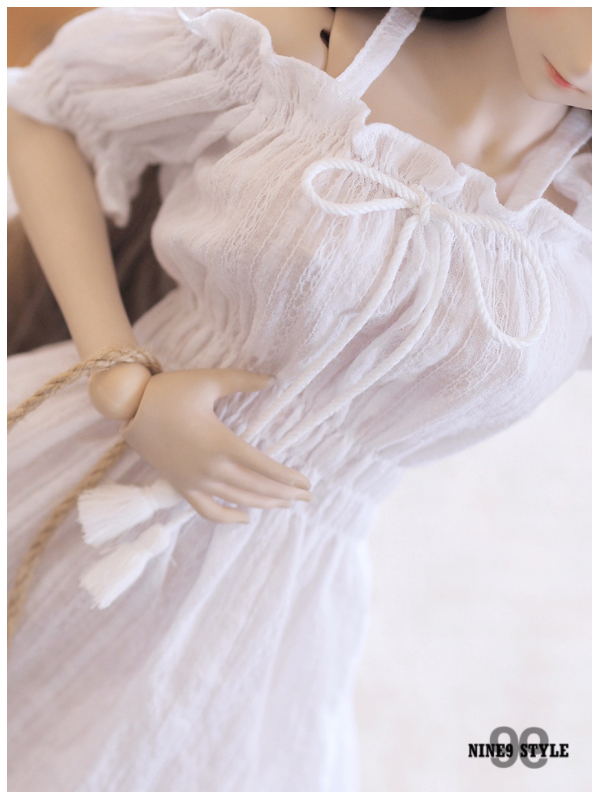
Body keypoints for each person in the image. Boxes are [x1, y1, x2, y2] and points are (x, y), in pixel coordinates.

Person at [7, 6, 591, 791]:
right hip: (77, 473)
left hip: (270, 608)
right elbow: (47, 108)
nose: (590, 65)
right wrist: (121, 377)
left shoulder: (581, 227)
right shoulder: (294, 56)